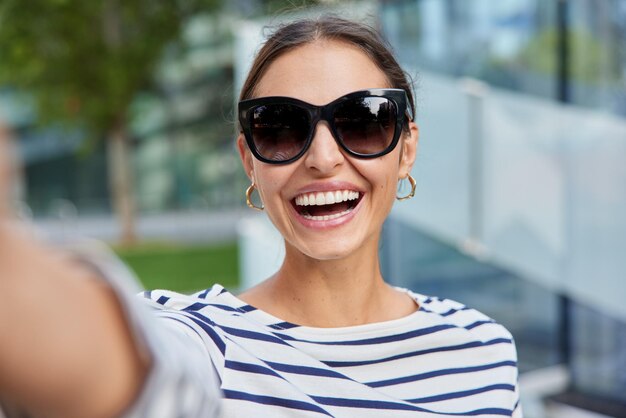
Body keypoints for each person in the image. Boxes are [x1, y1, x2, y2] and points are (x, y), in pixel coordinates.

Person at [0, 15, 522, 418]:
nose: (322, 158)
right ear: (249, 159)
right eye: (280, 128)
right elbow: (110, 363)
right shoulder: (206, 345)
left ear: (405, 149)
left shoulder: (483, 347)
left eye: (363, 122)